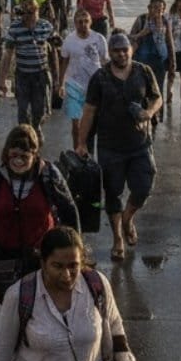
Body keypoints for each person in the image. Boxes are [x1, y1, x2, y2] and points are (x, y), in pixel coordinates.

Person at [0, 226, 139, 361]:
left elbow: (117, 334)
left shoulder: (97, 285)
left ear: (82, 261)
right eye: (57, 266)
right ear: (43, 263)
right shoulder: (19, 296)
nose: (66, 275)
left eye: (73, 266)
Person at [74, 32, 161, 261]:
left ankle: (128, 218)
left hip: (140, 144)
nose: (121, 54)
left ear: (131, 49)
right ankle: (117, 239)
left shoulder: (143, 71)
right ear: (109, 52)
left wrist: (149, 113)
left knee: (144, 186)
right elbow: (90, 111)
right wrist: (82, 143)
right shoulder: (100, 77)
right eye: (116, 50)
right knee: (113, 193)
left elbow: (156, 97)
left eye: (125, 49)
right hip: (110, 147)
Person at [0, 125, 78, 274]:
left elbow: (69, 210)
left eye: (24, 156)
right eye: (14, 155)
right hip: (2, 257)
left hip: (40, 258)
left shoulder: (49, 175)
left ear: (35, 155)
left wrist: (75, 254)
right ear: (6, 153)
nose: (18, 161)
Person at [0, 0, 58, 142]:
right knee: (23, 110)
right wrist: (2, 80)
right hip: (22, 75)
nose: (28, 15)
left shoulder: (46, 26)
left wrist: (57, 78)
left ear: (38, 11)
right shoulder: (15, 28)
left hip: (41, 74)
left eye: (32, 11)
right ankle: (26, 138)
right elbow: (8, 55)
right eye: (25, 11)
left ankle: (36, 126)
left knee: (40, 109)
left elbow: (55, 52)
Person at [58, 10, 108, 154]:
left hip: (94, 85)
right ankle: (78, 152)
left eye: (86, 21)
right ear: (75, 24)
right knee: (76, 124)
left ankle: (91, 149)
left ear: (90, 22)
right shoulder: (69, 40)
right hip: (74, 85)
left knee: (93, 123)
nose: (83, 24)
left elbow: (105, 62)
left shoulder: (99, 39)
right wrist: (60, 83)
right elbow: (64, 62)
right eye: (80, 22)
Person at [130, 0, 175, 117]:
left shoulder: (165, 21)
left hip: (159, 63)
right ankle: (142, 114)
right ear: (149, 7)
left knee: (157, 90)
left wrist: (173, 64)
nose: (158, 11)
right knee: (141, 90)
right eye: (155, 8)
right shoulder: (142, 20)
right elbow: (132, 38)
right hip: (142, 62)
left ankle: (154, 115)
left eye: (161, 9)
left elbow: (170, 42)